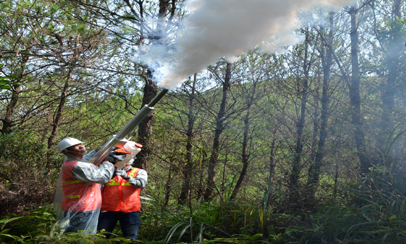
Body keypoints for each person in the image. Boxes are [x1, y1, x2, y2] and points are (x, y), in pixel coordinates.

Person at [53, 137, 119, 235]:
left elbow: (86, 159)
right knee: (80, 237)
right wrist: (108, 162)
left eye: (81, 144)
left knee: (86, 235)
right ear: (66, 151)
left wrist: (99, 151)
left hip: (85, 207)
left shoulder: (75, 162)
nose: (80, 147)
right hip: (80, 209)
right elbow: (103, 177)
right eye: (75, 146)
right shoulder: (75, 166)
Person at [97, 143, 148, 243]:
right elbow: (98, 185)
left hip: (130, 210)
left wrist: (128, 177)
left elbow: (141, 183)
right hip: (108, 210)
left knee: (131, 238)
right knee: (101, 237)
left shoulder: (139, 172)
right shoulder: (108, 171)